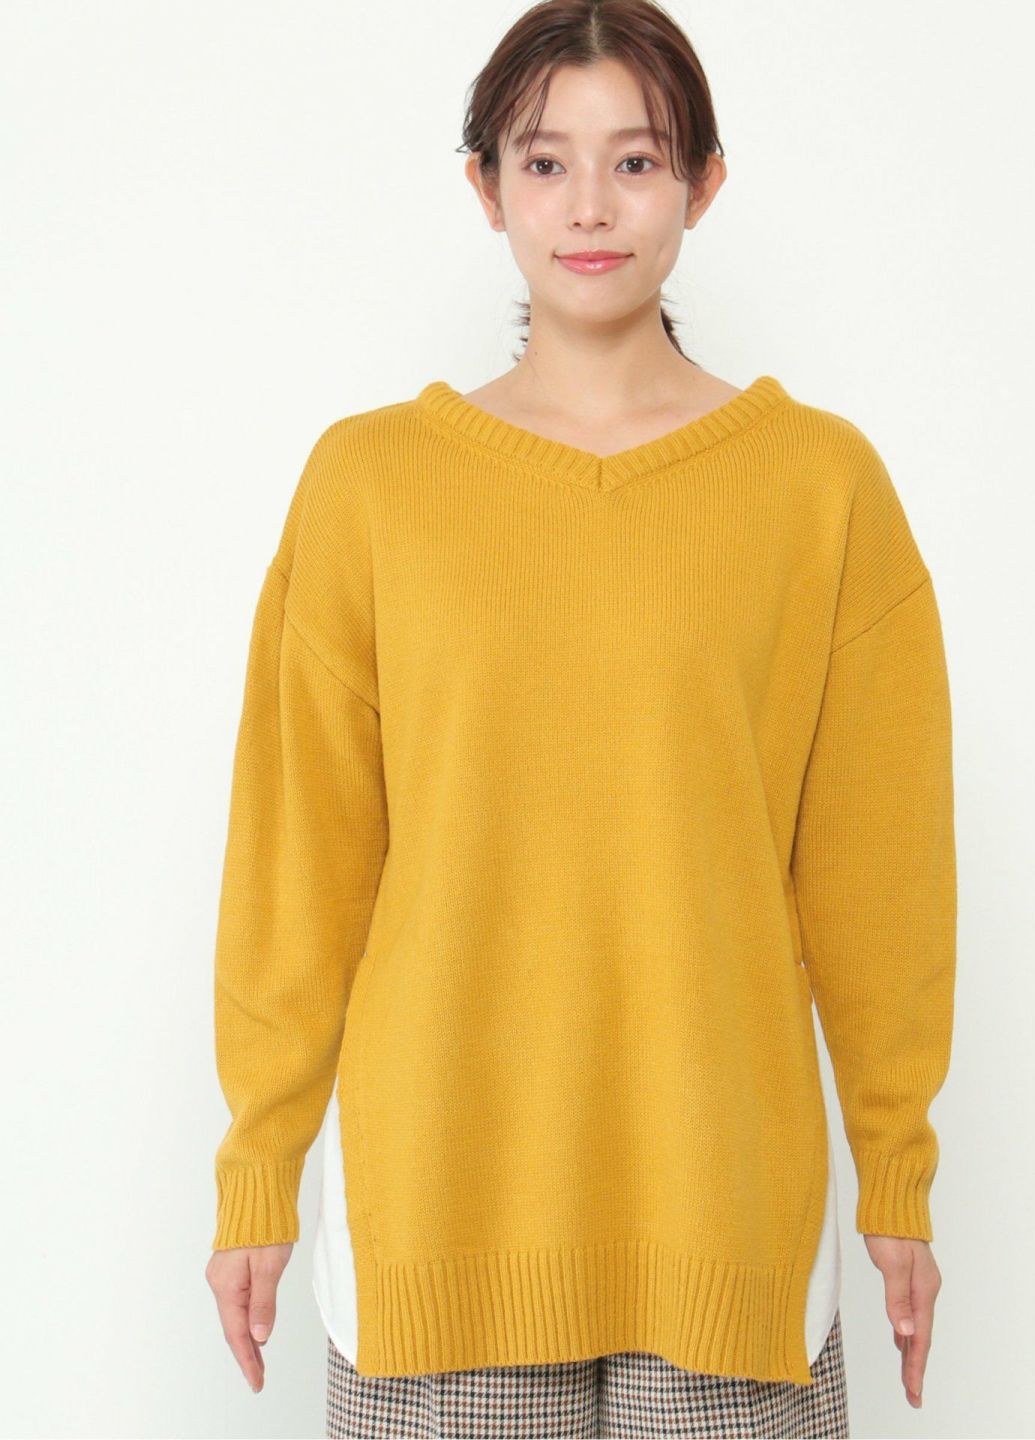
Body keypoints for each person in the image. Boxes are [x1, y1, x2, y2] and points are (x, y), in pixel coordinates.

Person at [204, 2, 955, 1435]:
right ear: (485, 187)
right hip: (440, 1213)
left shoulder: (820, 491)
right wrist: (259, 1171)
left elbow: (881, 879)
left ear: (704, 183)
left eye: (638, 160)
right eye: (545, 163)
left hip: (725, 1215)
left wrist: (897, 1178)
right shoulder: (370, 488)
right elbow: (301, 862)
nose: (592, 206)